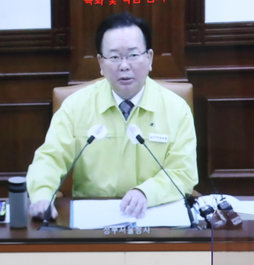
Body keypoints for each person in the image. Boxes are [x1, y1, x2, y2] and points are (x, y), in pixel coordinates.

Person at [26, 12, 198, 219]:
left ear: (149, 58)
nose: (124, 66)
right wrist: (42, 194)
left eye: (133, 55)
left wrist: (146, 192)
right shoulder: (76, 106)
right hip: (93, 218)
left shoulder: (176, 109)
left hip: (155, 213)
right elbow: (50, 158)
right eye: (115, 57)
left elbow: (183, 172)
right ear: (100, 63)